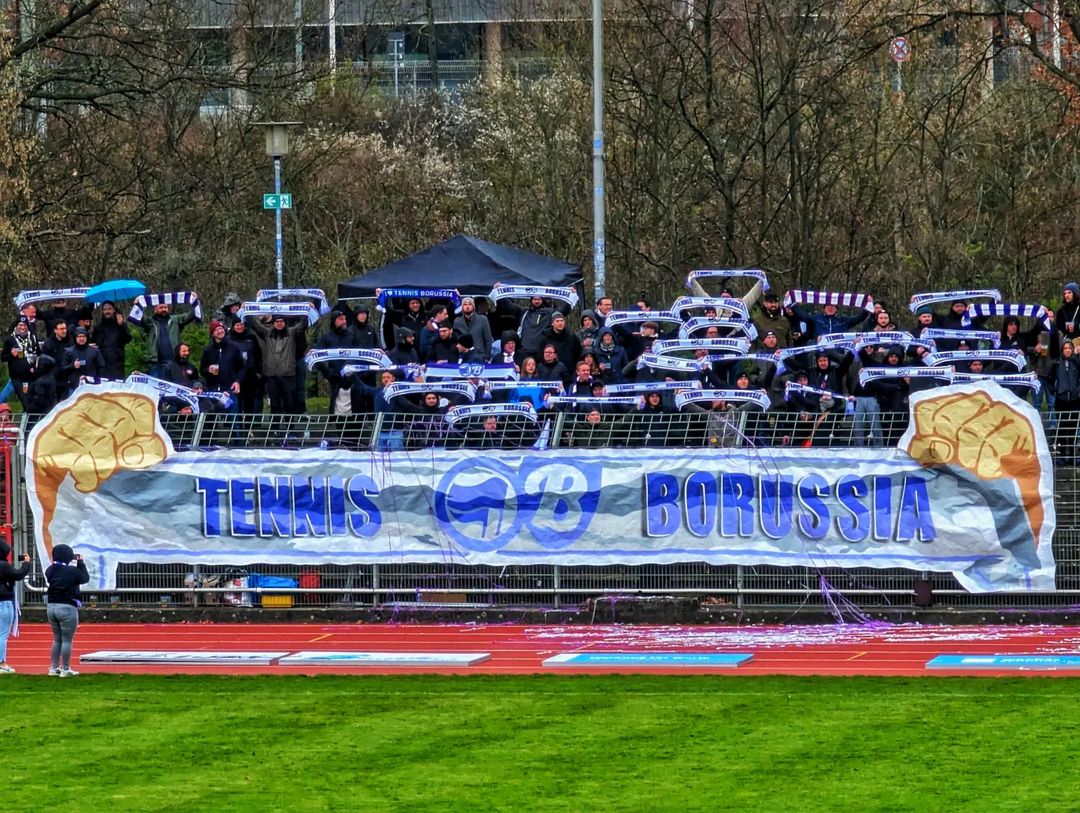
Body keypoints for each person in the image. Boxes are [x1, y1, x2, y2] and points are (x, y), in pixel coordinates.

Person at [45, 543, 89, 677]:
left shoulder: (50, 570)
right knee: (67, 640)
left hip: (51, 606)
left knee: (56, 639)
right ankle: (65, 669)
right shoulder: (72, 571)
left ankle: (53, 668)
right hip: (67, 607)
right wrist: (80, 562)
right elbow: (84, 578)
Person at [0, 540, 30, 673]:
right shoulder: (4, 566)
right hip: (3, 602)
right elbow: (18, 574)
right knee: (2, 634)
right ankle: (1, 662)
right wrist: (26, 564)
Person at [91, 301, 131, 380]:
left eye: (109, 309)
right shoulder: (98, 327)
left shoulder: (120, 325)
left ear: (114, 310)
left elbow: (128, 339)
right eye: (105, 309)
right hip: (101, 366)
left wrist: (121, 325)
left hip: (116, 366)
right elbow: (92, 344)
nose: (107, 311)